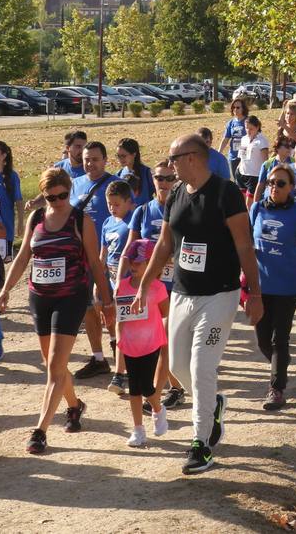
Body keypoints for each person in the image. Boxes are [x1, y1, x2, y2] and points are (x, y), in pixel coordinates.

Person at [132, 134, 261, 476]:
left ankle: (200, 444)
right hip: (183, 293)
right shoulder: (175, 193)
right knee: (177, 364)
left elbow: (245, 246)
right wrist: (146, 283)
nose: (169, 165)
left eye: (174, 159)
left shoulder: (226, 193)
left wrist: (256, 294)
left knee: (203, 366)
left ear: (193, 158)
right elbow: (165, 244)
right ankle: (213, 404)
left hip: (220, 294)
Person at [0, 167, 114, 455]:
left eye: (63, 195)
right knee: (56, 366)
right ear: (44, 196)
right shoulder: (36, 218)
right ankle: (74, 406)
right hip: (40, 297)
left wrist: (107, 301)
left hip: (71, 297)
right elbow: (24, 255)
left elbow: (95, 263)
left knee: (53, 368)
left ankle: (40, 431)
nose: (59, 201)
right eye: (52, 197)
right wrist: (5, 289)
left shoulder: (80, 220)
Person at [125, 159, 184, 409]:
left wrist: (167, 257)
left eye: (170, 178)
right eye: (160, 178)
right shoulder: (142, 211)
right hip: (148, 287)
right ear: (153, 180)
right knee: (157, 341)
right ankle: (171, 387)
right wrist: (124, 283)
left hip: (175, 285)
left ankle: (168, 390)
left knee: (166, 340)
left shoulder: (183, 208)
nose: (165, 183)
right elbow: (130, 250)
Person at [250, 164, 296, 410]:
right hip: (261, 286)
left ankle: (277, 389)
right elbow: (246, 243)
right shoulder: (256, 208)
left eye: (281, 183)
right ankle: (280, 362)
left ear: (291, 188)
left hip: (287, 285)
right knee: (263, 340)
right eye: (271, 182)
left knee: (279, 339)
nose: (274, 187)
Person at [65, 142, 117, 381]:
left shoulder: (117, 185)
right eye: (86, 159)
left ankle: (123, 357)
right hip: (81, 260)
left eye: (95, 159)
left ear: (105, 160)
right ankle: (98, 358)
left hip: (108, 261)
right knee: (88, 308)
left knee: (112, 309)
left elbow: (126, 221)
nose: (90, 163)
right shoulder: (75, 184)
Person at [114, 237, 169, 446]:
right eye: (132, 261)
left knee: (147, 387)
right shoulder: (123, 287)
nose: (134, 265)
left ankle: (158, 409)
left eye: (139, 261)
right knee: (134, 390)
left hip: (151, 343)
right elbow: (120, 317)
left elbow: (165, 312)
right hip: (130, 345)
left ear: (151, 263)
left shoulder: (157, 288)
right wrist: (119, 339)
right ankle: (138, 430)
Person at [101, 180, 137, 395]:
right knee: (119, 326)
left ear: (128, 202)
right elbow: (102, 256)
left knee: (123, 327)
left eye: (116, 204)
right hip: (113, 283)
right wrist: (100, 283)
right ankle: (124, 370)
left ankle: (120, 374)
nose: (112, 208)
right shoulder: (107, 222)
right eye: (109, 204)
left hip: (130, 285)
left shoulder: (134, 221)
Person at [236, 116, 270, 200]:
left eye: (251, 128)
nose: (248, 131)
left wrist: (266, 178)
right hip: (241, 174)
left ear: (257, 127)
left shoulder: (262, 141)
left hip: (254, 176)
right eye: (246, 128)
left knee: (249, 204)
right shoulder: (243, 139)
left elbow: (266, 161)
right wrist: (238, 169)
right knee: (241, 202)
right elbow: (242, 156)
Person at [115, 138, 154, 208]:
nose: (120, 159)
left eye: (123, 156)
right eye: (118, 156)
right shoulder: (119, 174)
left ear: (134, 154)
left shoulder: (146, 173)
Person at [218, 97, 251, 169]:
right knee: (234, 179)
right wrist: (219, 153)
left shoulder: (249, 121)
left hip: (246, 156)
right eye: (233, 107)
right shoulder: (231, 123)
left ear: (243, 108)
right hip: (233, 156)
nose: (235, 109)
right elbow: (225, 139)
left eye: (238, 107)